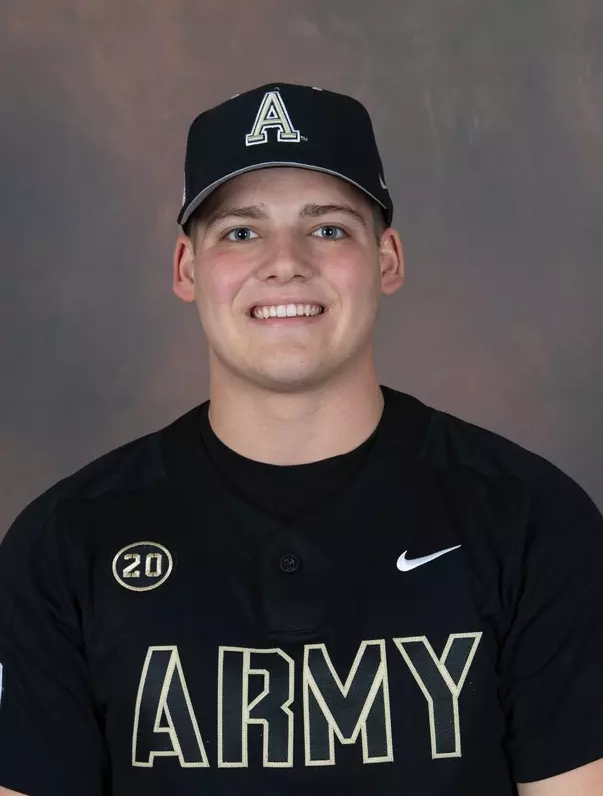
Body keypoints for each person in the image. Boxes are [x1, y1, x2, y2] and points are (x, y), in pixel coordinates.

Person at [0, 82, 602, 796]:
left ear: (387, 259)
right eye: (240, 231)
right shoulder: (64, 545)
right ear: (187, 269)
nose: (284, 261)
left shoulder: (531, 523)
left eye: (327, 228)